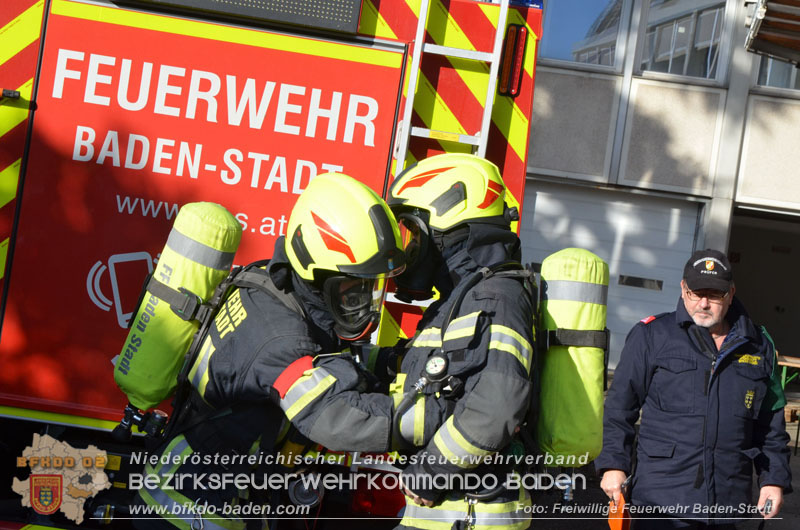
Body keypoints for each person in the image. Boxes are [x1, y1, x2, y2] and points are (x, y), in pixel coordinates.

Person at [132, 172, 412, 529]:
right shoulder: (278, 338)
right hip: (189, 510)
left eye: (369, 286)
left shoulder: (281, 291)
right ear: (315, 270)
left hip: (217, 494)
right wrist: (421, 418)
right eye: (353, 287)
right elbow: (333, 417)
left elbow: (326, 362)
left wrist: (391, 362)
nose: (362, 300)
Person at [383, 153, 536, 529]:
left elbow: (497, 403)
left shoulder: (497, 294)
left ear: (446, 229)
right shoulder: (458, 298)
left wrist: (432, 470)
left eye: (415, 234)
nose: (411, 247)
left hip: (471, 512)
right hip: (446, 511)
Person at [596, 248, 791, 529]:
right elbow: (619, 408)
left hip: (726, 502)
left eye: (714, 295)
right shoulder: (652, 335)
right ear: (682, 289)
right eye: (694, 293)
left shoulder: (760, 346)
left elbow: (770, 425)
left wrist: (773, 479)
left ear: (731, 293)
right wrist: (614, 466)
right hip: (662, 501)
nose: (703, 303)